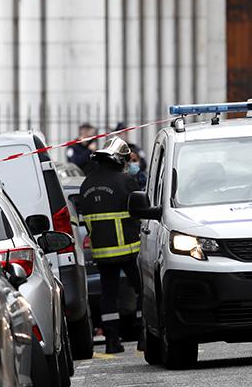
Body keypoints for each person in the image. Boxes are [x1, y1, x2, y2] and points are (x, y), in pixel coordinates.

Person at [78, 137, 144, 354]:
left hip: (102, 252)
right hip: (130, 249)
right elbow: (141, 211)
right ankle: (143, 335)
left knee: (109, 295)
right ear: (118, 160)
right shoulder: (125, 181)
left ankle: (111, 341)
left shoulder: (86, 184)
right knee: (142, 290)